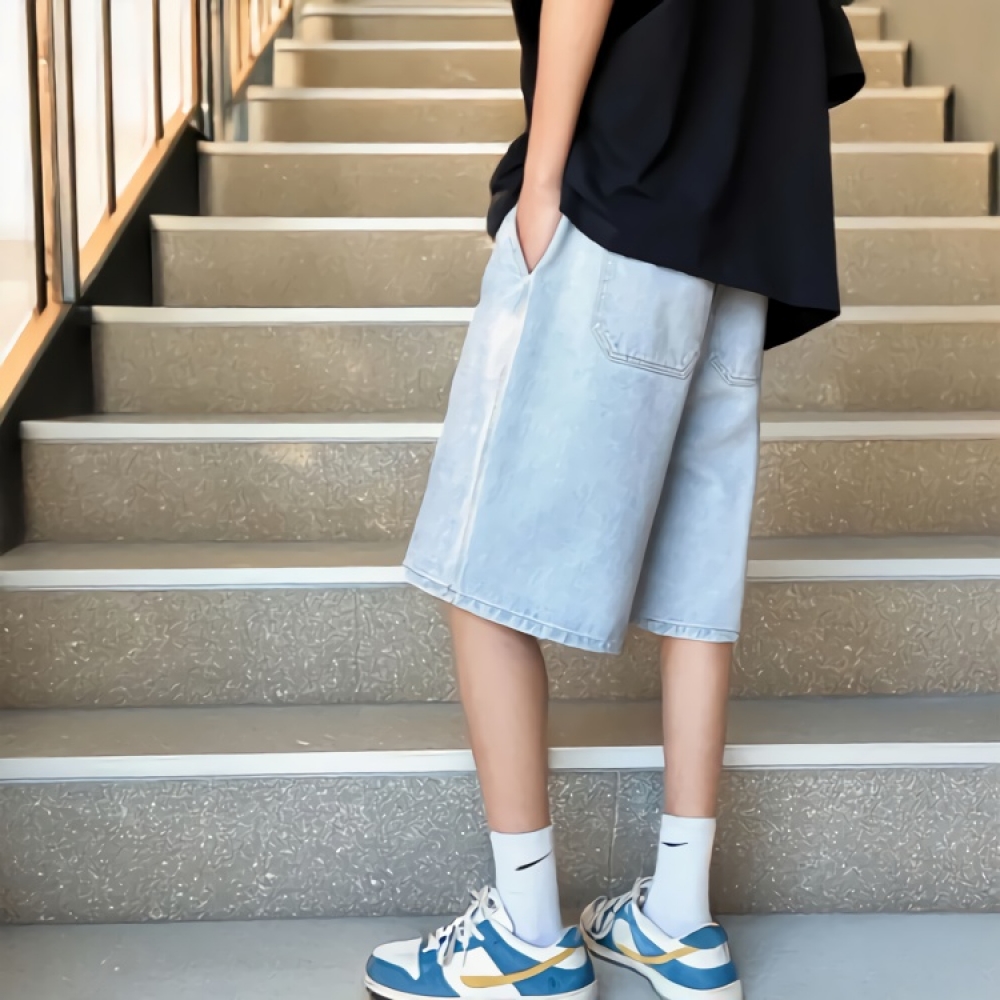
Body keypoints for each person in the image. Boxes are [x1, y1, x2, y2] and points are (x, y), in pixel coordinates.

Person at [363, 1, 863, 998]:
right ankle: (678, 918)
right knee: (694, 588)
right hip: (735, 244)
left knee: (481, 567)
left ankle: (524, 934)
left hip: (615, 209)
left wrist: (540, 180)